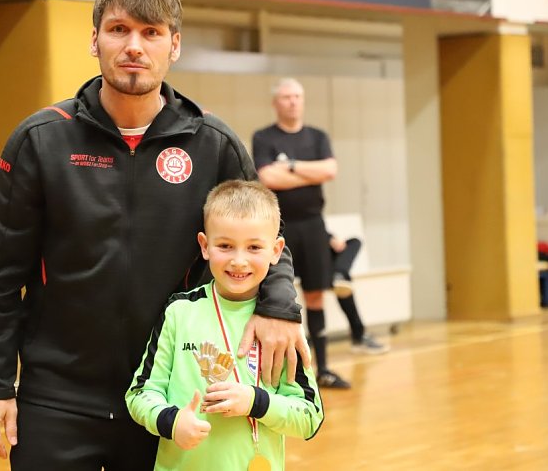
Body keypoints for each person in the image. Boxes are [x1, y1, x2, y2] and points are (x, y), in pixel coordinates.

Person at [0, 0, 309, 470]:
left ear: (174, 45)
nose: (134, 46)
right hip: (57, 397)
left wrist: (280, 306)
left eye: (151, 33)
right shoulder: (40, 140)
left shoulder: (214, 143)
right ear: (94, 40)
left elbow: (265, 238)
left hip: (171, 398)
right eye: (119, 29)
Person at [126, 180, 323, 470]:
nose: (239, 261)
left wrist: (257, 402)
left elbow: (309, 418)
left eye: (254, 247)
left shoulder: (279, 327)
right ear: (205, 246)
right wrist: (172, 421)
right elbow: (140, 393)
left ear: (276, 250)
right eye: (225, 246)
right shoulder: (179, 311)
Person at [252, 77, 351, 389]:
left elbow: (331, 171)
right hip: (278, 227)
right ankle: (276, 373)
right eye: (286, 97)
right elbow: (268, 176)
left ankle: (322, 368)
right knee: (276, 295)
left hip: (313, 226)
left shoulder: (317, 136)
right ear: (276, 103)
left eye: (297, 96)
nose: (292, 101)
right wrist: (310, 172)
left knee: (316, 295)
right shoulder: (264, 137)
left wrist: (291, 166)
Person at [328, 234, 389, 354]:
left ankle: (339, 275)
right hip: (306, 251)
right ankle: (358, 336)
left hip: (321, 249)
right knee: (342, 279)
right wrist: (328, 239)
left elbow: (318, 226)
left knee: (354, 242)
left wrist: (331, 239)